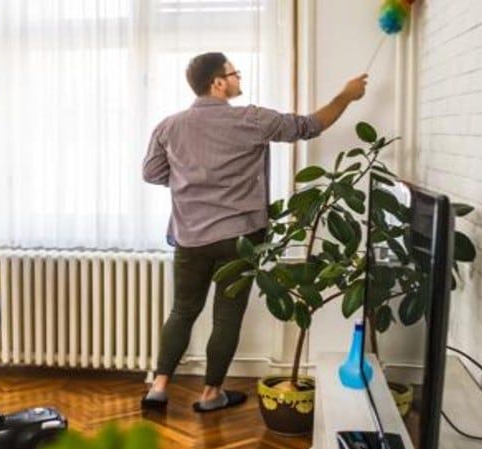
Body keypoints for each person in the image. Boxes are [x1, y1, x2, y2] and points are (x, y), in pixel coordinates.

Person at [141, 52, 367, 412]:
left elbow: (152, 173)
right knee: (226, 316)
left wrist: (193, 181)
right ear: (218, 82)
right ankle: (211, 394)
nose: (238, 79)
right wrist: (346, 95)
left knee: (182, 311)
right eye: (234, 73)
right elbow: (310, 126)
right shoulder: (251, 119)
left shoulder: (169, 126)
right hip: (240, 239)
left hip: (190, 238)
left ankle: (159, 387)